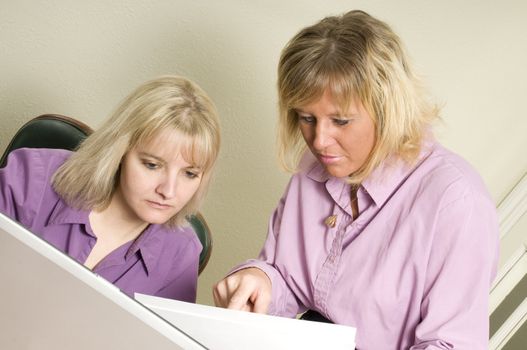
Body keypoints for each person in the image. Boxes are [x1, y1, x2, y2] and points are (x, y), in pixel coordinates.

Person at [213, 10, 499, 349]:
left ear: (388, 108)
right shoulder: (315, 168)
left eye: (342, 121)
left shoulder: (456, 203)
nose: (319, 141)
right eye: (306, 118)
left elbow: (452, 345)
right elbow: (288, 279)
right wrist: (260, 280)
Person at [0, 75, 220, 302]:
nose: (169, 191)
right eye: (152, 165)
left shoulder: (181, 254)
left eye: (190, 174)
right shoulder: (34, 175)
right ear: (120, 150)